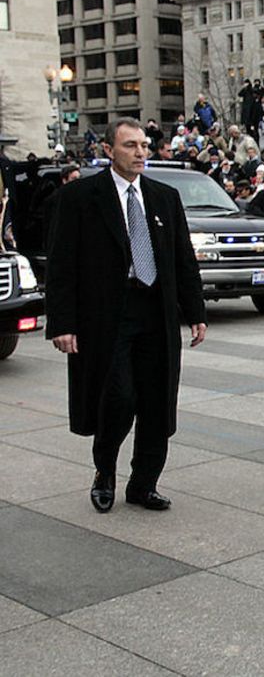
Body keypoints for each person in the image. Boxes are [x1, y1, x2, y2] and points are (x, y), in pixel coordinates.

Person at [45, 117, 207, 513]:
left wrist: (196, 311)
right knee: (117, 397)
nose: (140, 153)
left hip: (156, 312)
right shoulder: (81, 198)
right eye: (131, 145)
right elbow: (62, 265)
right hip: (106, 315)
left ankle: (144, 483)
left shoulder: (164, 197)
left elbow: (183, 259)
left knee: (156, 400)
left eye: (145, 146)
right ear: (108, 150)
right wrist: (62, 322)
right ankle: (105, 471)